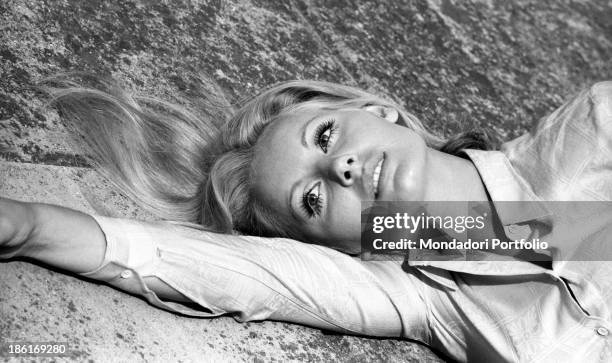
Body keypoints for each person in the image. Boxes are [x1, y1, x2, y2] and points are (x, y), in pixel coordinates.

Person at [1, 76, 612, 362]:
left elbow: (565, 223)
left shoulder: (590, 131)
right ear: (336, 249)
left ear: (378, 111)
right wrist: (29, 227)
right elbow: (230, 272)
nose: (341, 167)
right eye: (311, 202)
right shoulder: (420, 298)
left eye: (326, 136)